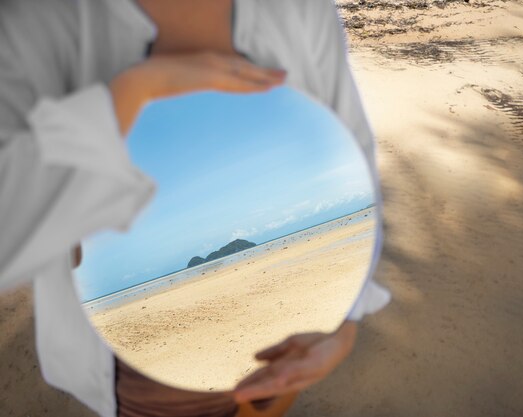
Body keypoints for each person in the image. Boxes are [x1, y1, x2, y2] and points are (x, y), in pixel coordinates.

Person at [0, 0, 391, 416]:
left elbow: (354, 157)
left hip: (284, 358)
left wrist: (344, 320)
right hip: (143, 389)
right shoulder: (32, 17)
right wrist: (125, 98)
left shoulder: (302, 9)